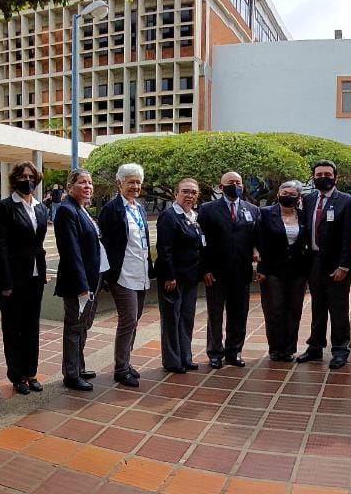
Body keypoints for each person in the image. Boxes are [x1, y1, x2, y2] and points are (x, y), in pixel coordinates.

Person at [297, 159, 351, 369]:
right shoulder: (307, 200)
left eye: (327, 174)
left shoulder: (348, 201)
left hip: (337, 265)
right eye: (318, 175)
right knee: (317, 307)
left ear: (336, 177)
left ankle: (340, 350)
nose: (323, 178)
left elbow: (350, 237)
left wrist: (344, 265)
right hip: (313, 262)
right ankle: (315, 346)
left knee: (338, 308)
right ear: (313, 177)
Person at [0, 160, 48, 394]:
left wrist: (43, 271)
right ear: (14, 180)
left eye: (31, 177)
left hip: (35, 276)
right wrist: (4, 281)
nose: (27, 181)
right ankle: (17, 375)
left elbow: (39, 244)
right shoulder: (5, 207)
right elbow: (1, 246)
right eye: (23, 177)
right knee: (13, 328)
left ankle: (31, 372)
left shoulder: (41, 208)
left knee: (31, 326)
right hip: (13, 278)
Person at [98, 164, 153, 387]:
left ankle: (126, 361)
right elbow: (106, 244)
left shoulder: (138, 208)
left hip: (140, 272)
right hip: (122, 274)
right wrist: (108, 275)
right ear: (119, 184)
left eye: (138, 182)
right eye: (130, 182)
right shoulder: (111, 209)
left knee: (135, 320)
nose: (135, 186)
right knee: (128, 319)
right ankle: (121, 368)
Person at [198, 170, 259, 368]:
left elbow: (256, 238)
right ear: (221, 186)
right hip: (215, 272)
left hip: (241, 272)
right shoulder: (207, 209)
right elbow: (202, 242)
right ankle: (215, 353)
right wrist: (205, 269)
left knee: (239, 314)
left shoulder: (252, 209)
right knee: (215, 314)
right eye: (231, 182)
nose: (236, 185)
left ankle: (234, 351)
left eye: (238, 182)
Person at [53, 168, 106, 391]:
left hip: (93, 279)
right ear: (70, 186)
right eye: (82, 182)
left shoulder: (82, 210)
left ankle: (79, 366)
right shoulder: (66, 211)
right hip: (78, 284)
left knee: (83, 326)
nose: (88, 186)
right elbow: (71, 252)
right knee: (74, 328)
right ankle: (71, 374)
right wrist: (83, 286)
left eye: (90, 182)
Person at [256, 180, 313, 361]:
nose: (287, 196)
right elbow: (259, 241)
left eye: (291, 194)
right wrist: (261, 268)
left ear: (298, 197)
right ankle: (276, 348)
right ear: (278, 193)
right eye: (284, 193)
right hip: (272, 270)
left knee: (293, 309)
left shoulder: (304, 216)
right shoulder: (265, 213)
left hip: (297, 270)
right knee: (274, 310)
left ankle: (289, 349)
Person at [155, 178, 203, 373]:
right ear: (176, 194)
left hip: (190, 277)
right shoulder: (169, 216)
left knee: (186, 318)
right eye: (185, 191)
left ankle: (186, 356)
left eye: (193, 192)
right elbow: (164, 249)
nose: (189, 195)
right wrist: (169, 276)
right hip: (172, 278)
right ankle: (172, 361)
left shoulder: (194, 216)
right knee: (171, 319)